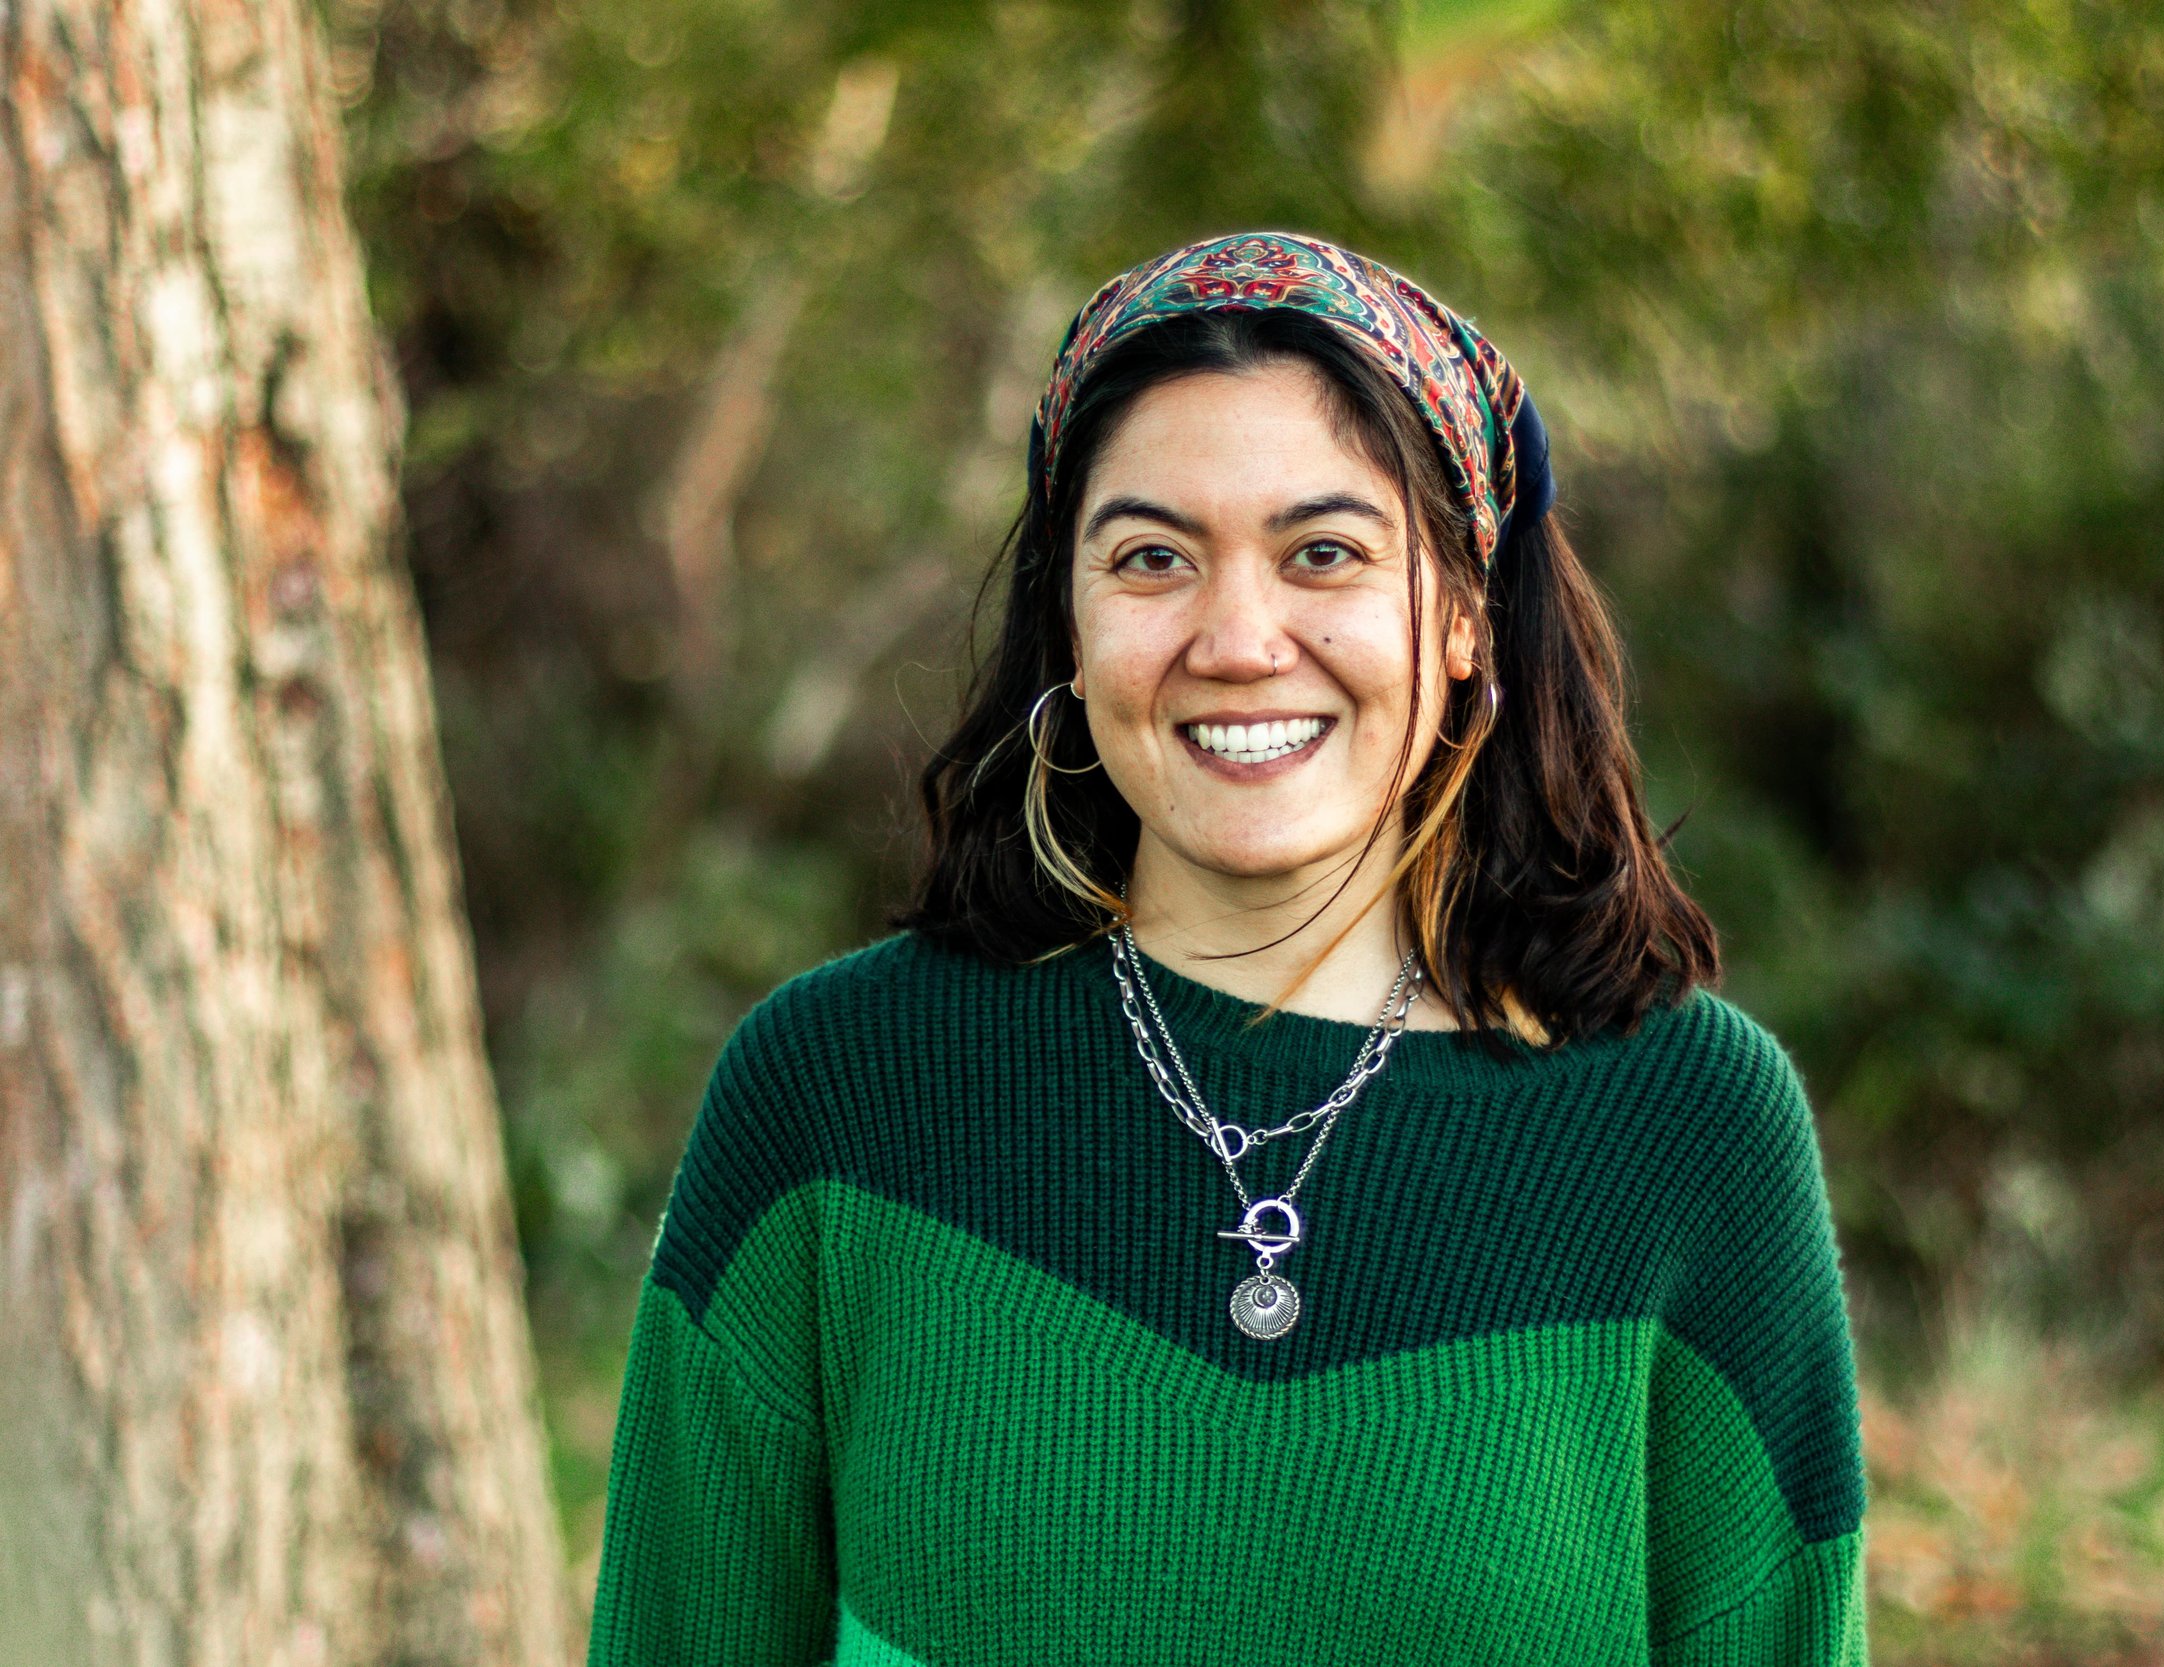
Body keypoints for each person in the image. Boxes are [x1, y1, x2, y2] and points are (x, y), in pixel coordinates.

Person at [586, 230, 1869, 1665]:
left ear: (1460, 612)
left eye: (1324, 553)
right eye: (1153, 559)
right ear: (1067, 621)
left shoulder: (1687, 1125)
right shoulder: (835, 1094)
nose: (1240, 639)